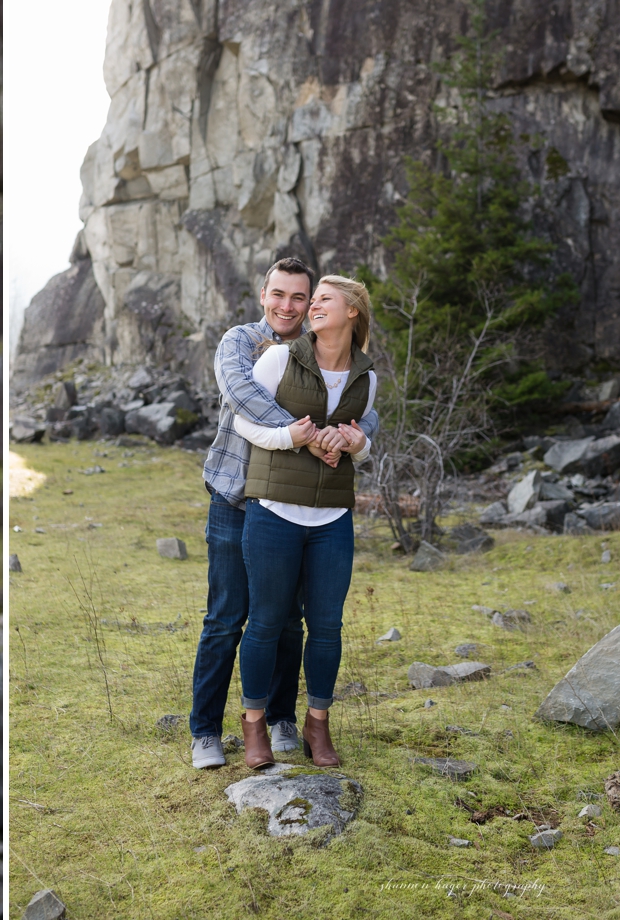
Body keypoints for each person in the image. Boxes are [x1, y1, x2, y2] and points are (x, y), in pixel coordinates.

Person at [189, 258, 379, 769]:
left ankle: (281, 719)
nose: (290, 306)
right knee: (229, 617)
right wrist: (314, 438)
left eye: (301, 297)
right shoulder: (243, 343)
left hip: (300, 505)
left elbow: (361, 403)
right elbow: (243, 397)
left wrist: (354, 436)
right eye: (280, 295)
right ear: (263, 294)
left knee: (293, 620)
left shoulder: (318, 352)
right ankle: (205, 731)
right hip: (236, 495)